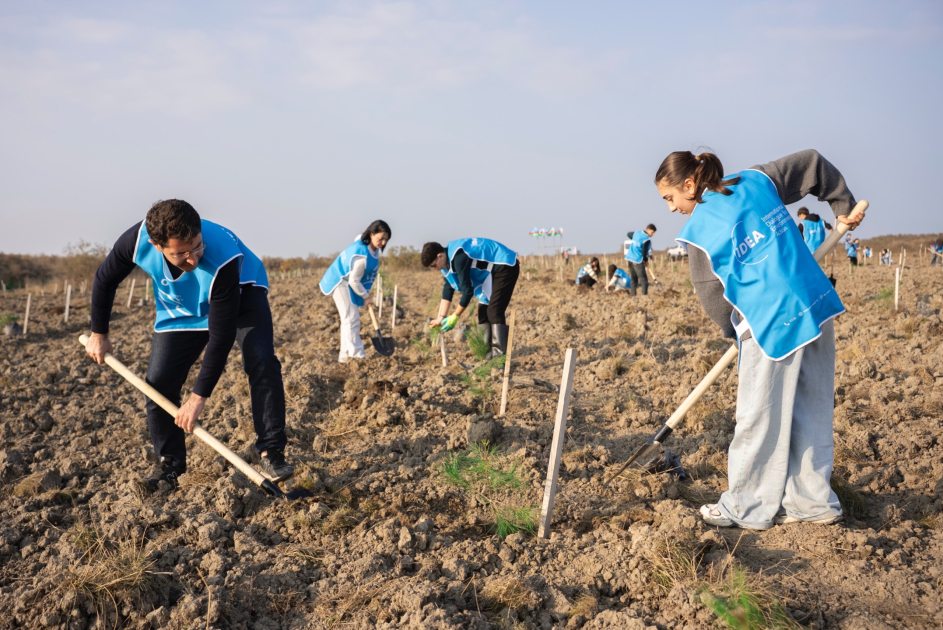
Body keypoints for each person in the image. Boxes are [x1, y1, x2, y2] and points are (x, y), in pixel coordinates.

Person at [655, 149, 864, 530]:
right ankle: (812, 502)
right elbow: (812, 163)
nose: (671, 209)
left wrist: (732, 334)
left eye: (670, 198)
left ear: (689, 185)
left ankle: (746, 506)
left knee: (758, 416)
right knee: (812, 407)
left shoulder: (699, 230)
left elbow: (710, 293)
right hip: (814, 301)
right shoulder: (755, 180)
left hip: (769, 325)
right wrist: (842, 203)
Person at [85, 200, 293, 488]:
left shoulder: (223, 258)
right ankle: (169, 464)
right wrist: (99, 334)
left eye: (197, 246)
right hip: (181, 306)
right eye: (180, 253)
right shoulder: (135, 242)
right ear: (157, 245)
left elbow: (220, 337)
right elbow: (105, 279)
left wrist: (197, 397)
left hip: (241, 293)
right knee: (158, 383)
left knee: (261, 360)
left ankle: (272, 450)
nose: (193, 259)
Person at [421, 238, 519, 359]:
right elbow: (448, 289)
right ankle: (486, 354)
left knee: (494, 311)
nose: (435, 269)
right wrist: (441, 318)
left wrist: (455, 316)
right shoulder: (447, 263)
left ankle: (499, 358)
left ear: (439, 256)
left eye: (434, 265)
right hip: (489, 274)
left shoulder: (459, 257)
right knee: (483, 313)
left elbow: (468, 292)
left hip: (505, 266)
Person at [319, 221, 391, 363]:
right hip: (340, 281)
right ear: (371, 235)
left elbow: (358, 238)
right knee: (351, 319)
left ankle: (344, 358)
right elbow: (353, 281)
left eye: (386, 240)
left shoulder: (368, 246)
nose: (382, 243)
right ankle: (358, 357)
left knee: (349, 320)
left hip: (347, 282)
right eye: (380, 239)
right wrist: (366, 296)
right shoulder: (362, 257)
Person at [624, 225, 656, 295]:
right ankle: (644, 297)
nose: (653, 234)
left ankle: (633, 296)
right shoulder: (646, 239)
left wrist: (635, 238)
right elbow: (644, 252)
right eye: (652, 232)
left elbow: (628, 234)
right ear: (647, 230)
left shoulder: (637, 233)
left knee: (634, 280)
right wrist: (646, 260)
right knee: (644, 280)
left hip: (629, 258)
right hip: (637, 260)